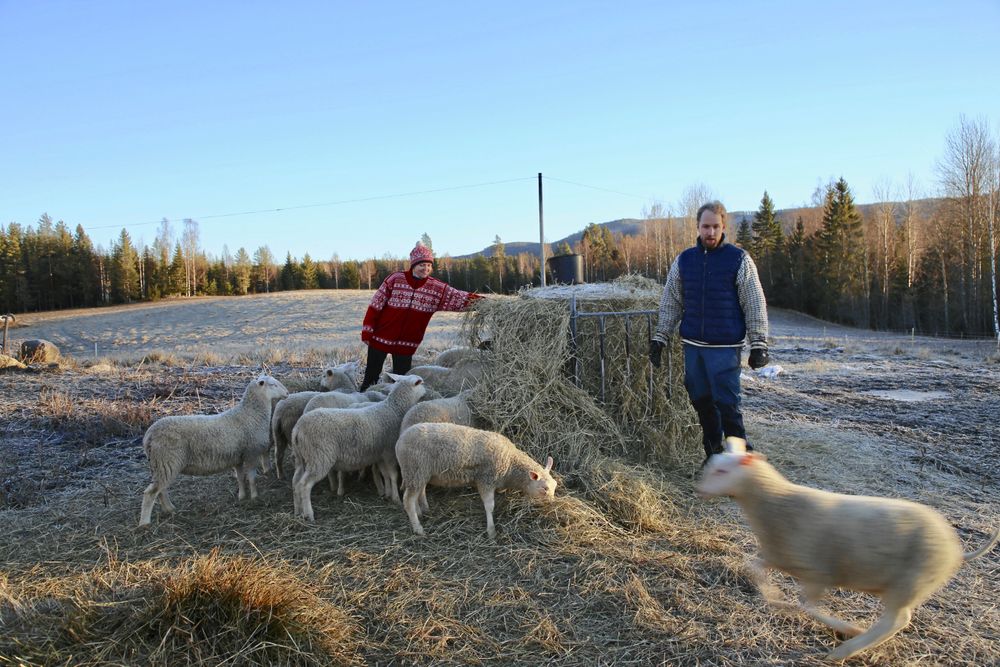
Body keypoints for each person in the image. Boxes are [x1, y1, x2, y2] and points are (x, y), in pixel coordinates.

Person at [649, 200, 769, 466]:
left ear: (723, 226)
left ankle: (741, 458)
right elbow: (672, 301)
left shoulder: (738, 259)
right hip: (693, 346)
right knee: (701, 400)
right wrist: (660, 337)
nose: (710, 232)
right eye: (706, 226)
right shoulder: (685, 260)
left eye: (716, 226)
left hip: (725, 347)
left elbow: (754, 301)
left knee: (727, 402)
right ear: (698, 227)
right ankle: (714, 454)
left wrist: (758, 342)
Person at [359, 242, 482, 390]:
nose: (426, 268)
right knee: (370, 378)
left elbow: (459, 297)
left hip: (407, 342)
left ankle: (394, 410)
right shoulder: (395, 279)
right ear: (413, 265)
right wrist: (367, 330)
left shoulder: (436, 288)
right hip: (380, 337)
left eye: (429, 265)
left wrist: (486, 303)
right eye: (422, 265)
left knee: (402, 383)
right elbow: (375, 305)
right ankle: (363, 403)